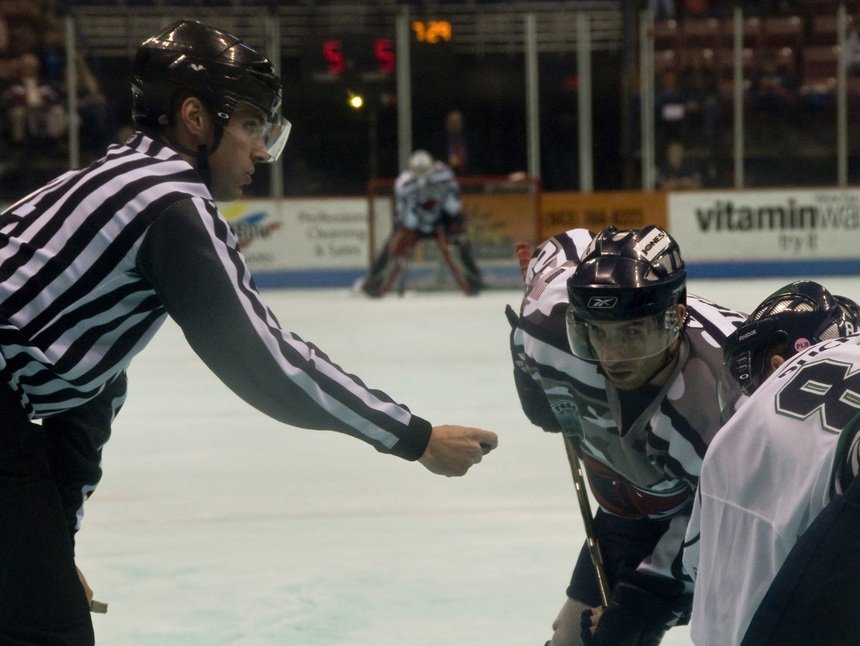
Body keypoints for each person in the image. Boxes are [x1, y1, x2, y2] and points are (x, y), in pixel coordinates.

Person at [0, 20, 497, 645]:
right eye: (253, 127)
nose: (263, 150)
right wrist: (415, 437)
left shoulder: (111, 186)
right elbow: (266, 363)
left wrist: (47, 544)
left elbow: (88, 403)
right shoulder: (169, 203)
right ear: (194, 118)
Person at [507, 225, 746, 645]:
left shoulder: (718, 406)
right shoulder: (548, 329)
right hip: (633, 497)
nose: (612, 356)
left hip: (709, 510)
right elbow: (565, 247)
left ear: (675, 318)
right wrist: (535, 388)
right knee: (571, 639)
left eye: (634, 333)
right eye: (597, 332)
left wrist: (645, 603)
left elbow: (730, 526)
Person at [685, 282, 860, 645]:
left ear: (779, 364)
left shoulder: (750, 435)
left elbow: (726, 619)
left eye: (743, 380)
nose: (743, 396)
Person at [361, 149, 484, 297]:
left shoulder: (444, 175)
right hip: (414, 223)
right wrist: (411, 227)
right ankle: (374, 281)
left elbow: (454, 197)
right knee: (392, 246)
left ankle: (474, 279)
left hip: (439, 220)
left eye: (424, 170)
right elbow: (403, 211)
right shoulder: (404, 183)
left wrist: (453, 216)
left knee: (461, 242)